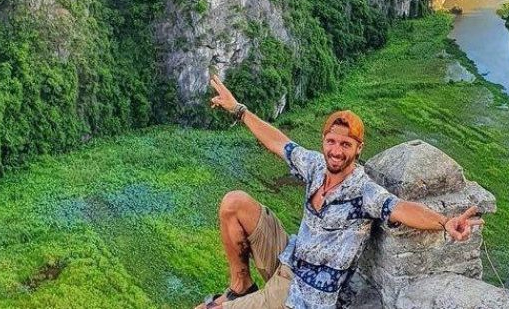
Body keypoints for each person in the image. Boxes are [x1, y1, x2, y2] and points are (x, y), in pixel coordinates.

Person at [197, 75, 484, 309]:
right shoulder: (315, 166)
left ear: (359, 148)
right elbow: (279, 142)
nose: (336, 151)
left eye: (345, 145)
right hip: (289, 259)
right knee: (234, 203)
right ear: (323, 141)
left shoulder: (363, 192)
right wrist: (239, 109)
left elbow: (398, 208)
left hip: (301, 296)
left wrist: (445, 222)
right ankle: (240, 286)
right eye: (331, 142)